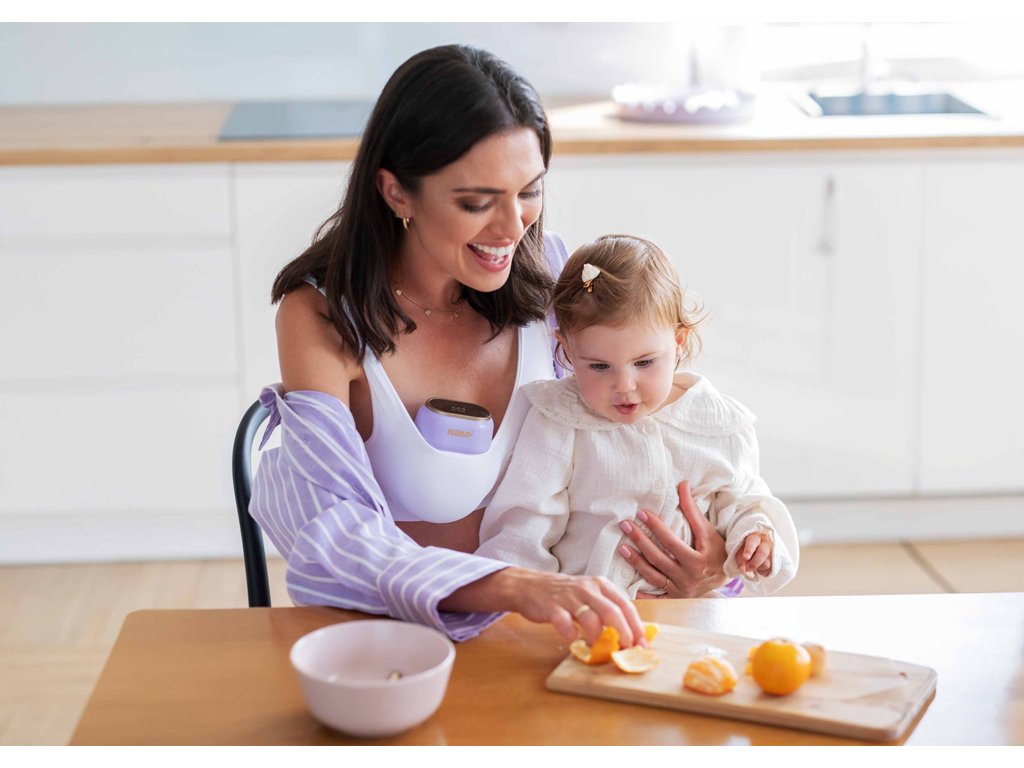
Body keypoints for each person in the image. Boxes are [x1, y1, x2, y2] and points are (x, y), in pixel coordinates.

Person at [248, 45, 730, 648]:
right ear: (396, 192)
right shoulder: (323, 317)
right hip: (408, 645)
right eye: (477, 203)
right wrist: (514, 586)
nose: (511, 228)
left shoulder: (556, 277)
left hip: (557, 636)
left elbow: (643, 427)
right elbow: (333, 534)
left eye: (528, 191)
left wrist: (710, 559)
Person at [477, 235, 799, 597]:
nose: (624, 386)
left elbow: (743, 500)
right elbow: (525, 526)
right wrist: (529, 601)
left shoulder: (719, 423)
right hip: (588, 610)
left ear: (678, 342)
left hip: (692, 608)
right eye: (599, 366)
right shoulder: (560, 419)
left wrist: (755, 536)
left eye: (644, 362)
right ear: (565, 348)